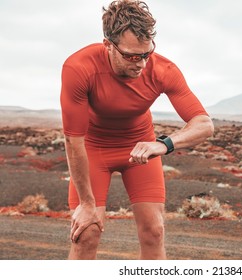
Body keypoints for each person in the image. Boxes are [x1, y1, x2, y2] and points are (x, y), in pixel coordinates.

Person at [60, 0, 214, 260]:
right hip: (93, 150)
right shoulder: (79, 68)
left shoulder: (163, 69)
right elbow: (73, 141)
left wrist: (163, 144)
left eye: (146, 54)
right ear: (108, 45)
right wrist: (87, 204)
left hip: (140, 149)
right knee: (87, 233)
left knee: (154, 231)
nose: (141, 64)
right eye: (131, 56)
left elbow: (204, 125)